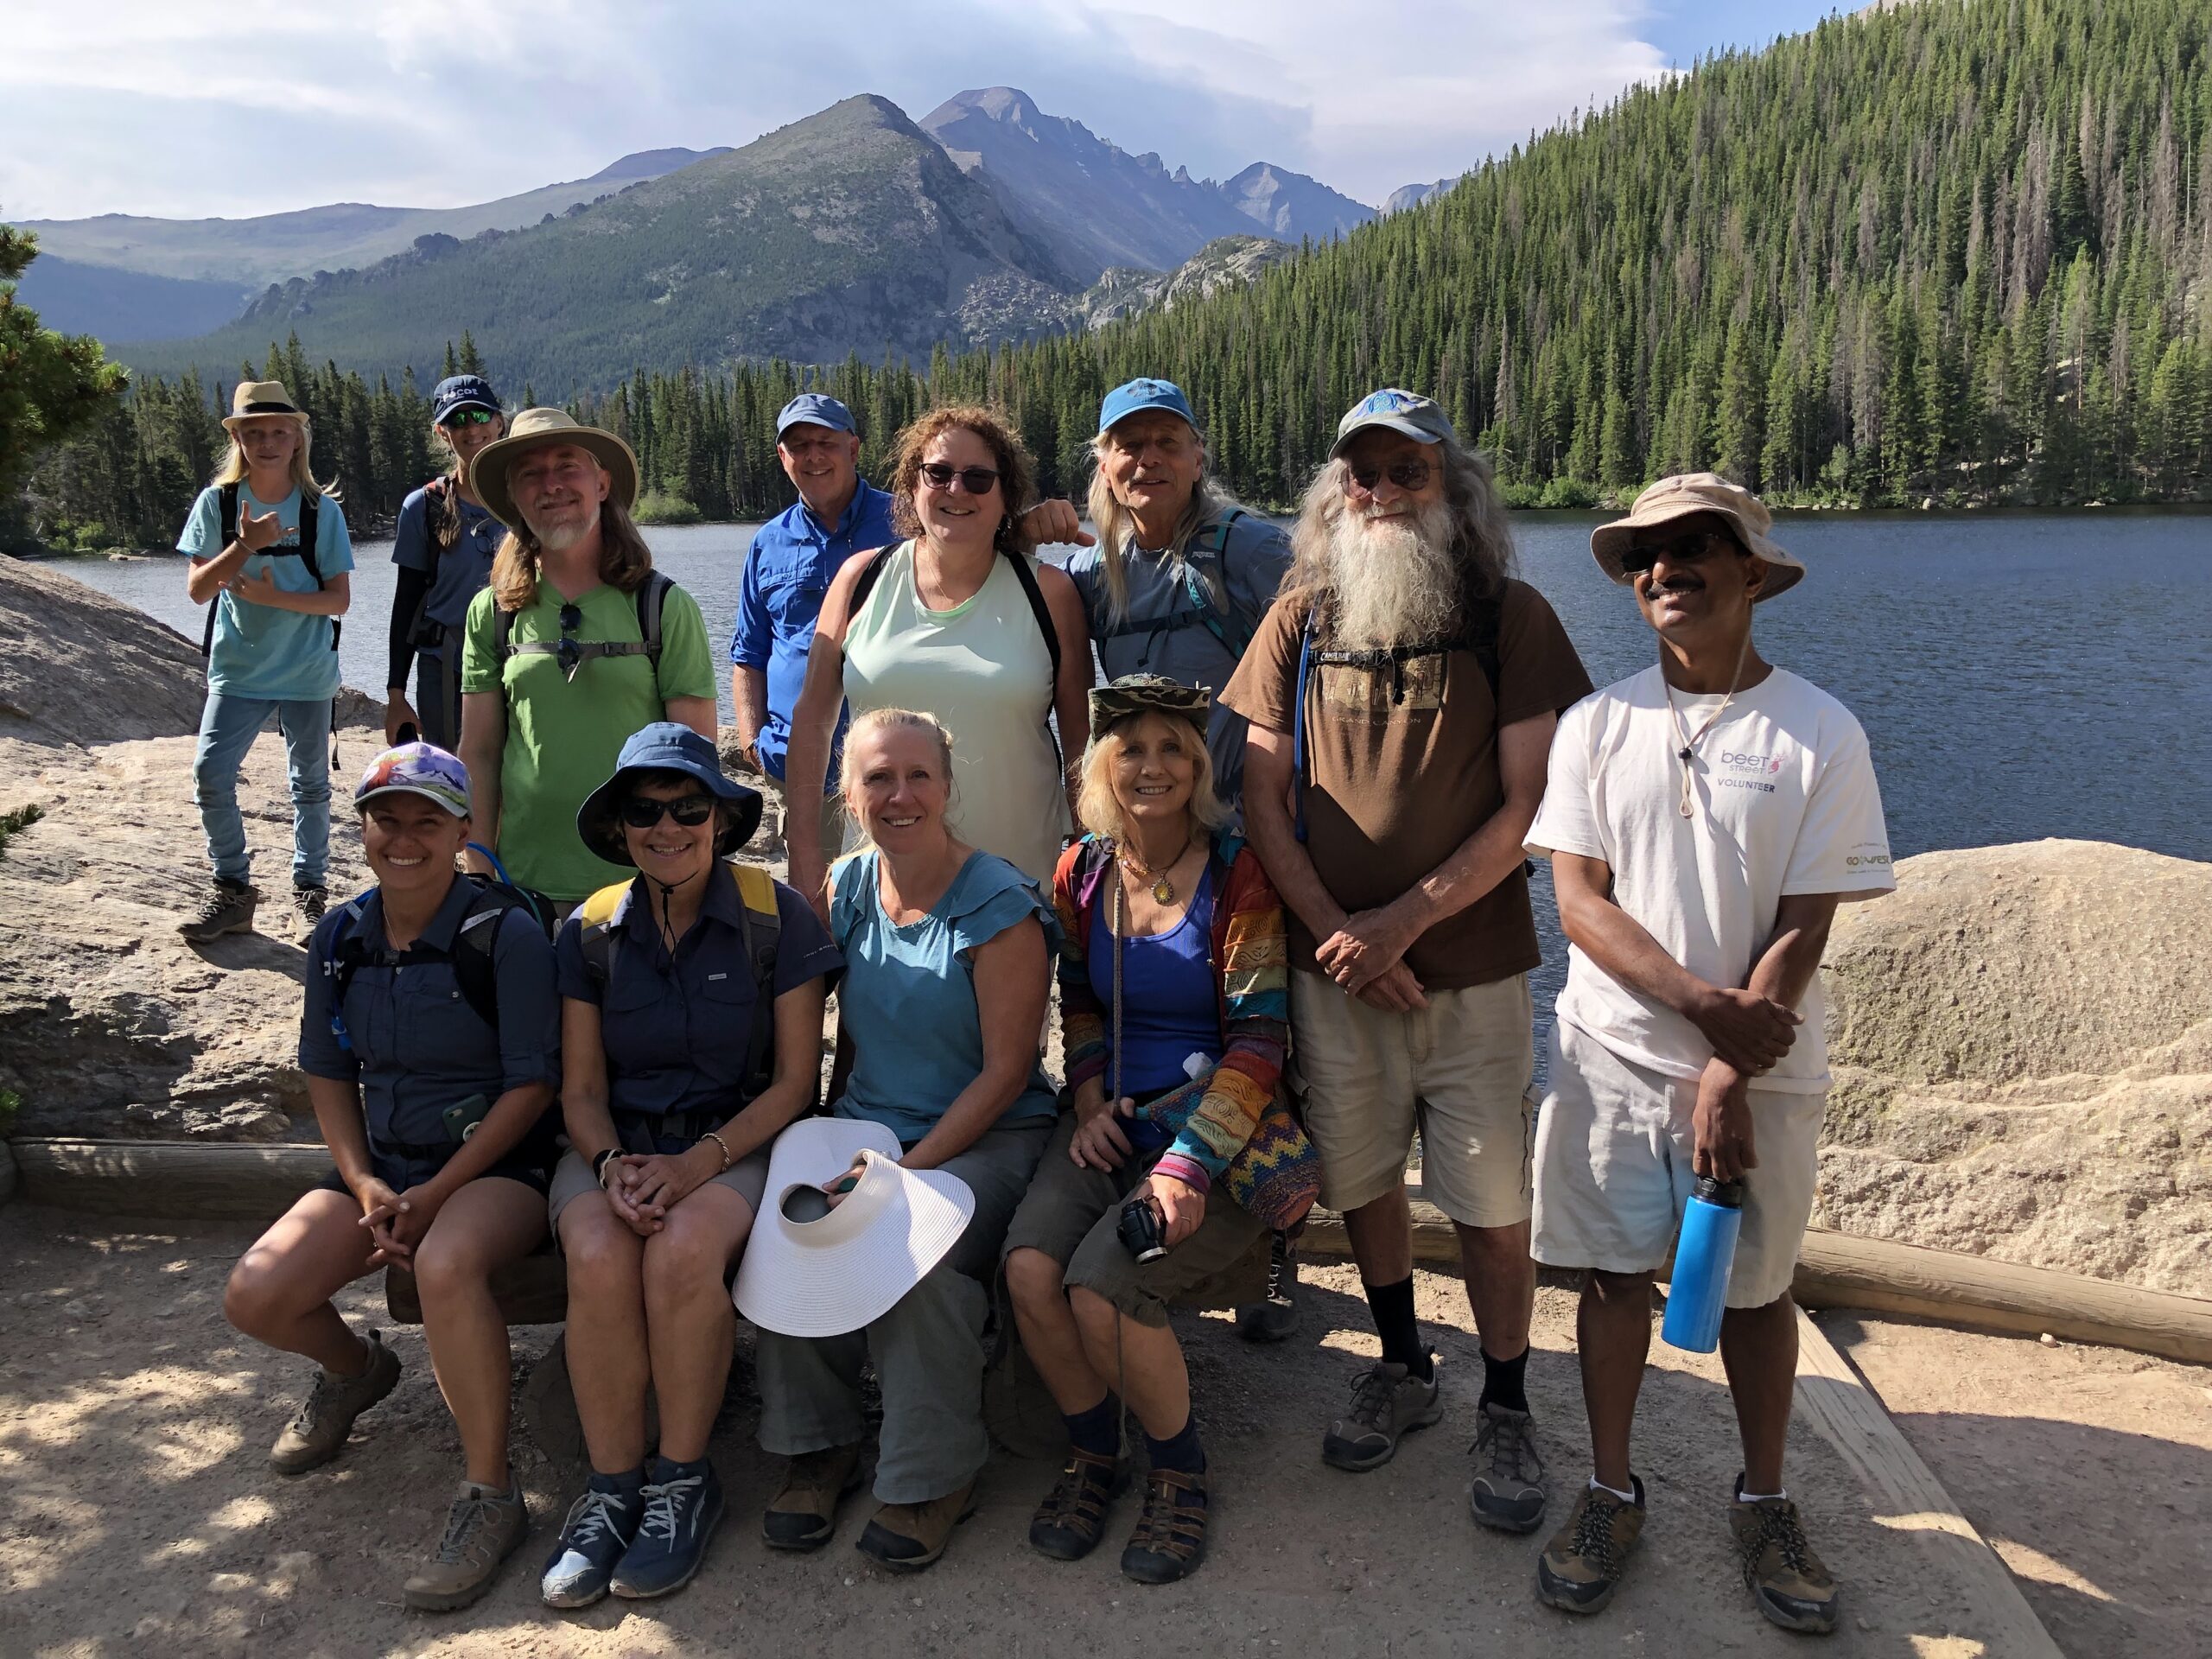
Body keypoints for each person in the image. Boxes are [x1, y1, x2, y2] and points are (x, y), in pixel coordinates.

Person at [1526, 475, 1893, 1634]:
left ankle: (1765, 1498)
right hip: (1610, 1054)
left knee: (1758, 1289)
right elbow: (1578, 902)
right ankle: (1609, 1488)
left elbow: (1810, 913)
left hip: (1764, 1070)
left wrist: (1734, 1066)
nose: (1665, 568)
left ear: (1749, 575)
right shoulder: (1598, 723)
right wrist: (1700, 1010)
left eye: (1695, 548)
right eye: (1647, 553)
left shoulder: (1821, 730)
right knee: (1610, 1278)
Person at [1222, 389, 1592, 1530]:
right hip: (1339, 971)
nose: (1380, 495)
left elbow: (1532, 805)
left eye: (1405, 472)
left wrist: (1402, 925)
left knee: (1488, 1199)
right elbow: (1263, 797)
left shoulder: (1510, 617)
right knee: (1369, 1178)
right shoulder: (1297, 620)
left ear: (1452, 487)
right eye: (1362, 476)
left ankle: (1510, 1398)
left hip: (1471, 972)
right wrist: (1343, 930)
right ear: (1338, 493)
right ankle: (1401, 1366)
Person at [221, 744, 560, 1612]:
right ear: (362, 828)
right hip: (384, 1167)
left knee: (444, 1263)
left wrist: (437, 1193)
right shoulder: (341, 934)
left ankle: (489, 1493)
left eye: (426, 821)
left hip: (497, 1168)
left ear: (461, 831)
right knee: (257, 1293)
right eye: (387, 819)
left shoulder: (503, 935)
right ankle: (355, 1371)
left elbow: (532, 1086)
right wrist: (364, 1182)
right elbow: (328, 1072)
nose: (404, 838)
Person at [538, 722, 842, 1608]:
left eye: (687, 808)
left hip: (735, 1141)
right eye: (645, 811)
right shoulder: (589, 930)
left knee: (678, 1253)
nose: (666, 828)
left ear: (720, 816)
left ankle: (682, 1480)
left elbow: (794, 1085)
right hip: (616, 1150)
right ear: (620, 826)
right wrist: (611, 1167)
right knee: (598, 1253)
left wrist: (695, 1166)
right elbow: (582, 1090)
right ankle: (610, 1490)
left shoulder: (774, 916)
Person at [1002, 676, 1297, 1584]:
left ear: (1200, 766)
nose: (1153, 766)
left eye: (1174, 747)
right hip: (1110, 1122)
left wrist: (1185, 1173)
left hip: (1219, 1135)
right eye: (1132, 748)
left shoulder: (1239, 870)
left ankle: (1179, 1469)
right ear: (1101, 765)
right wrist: (1087, 1103)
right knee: (1029, 1267)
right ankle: (1096, 1451)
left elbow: (1258, 1039)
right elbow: (1081, 1002)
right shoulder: (1080, 872)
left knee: (1102, 1288)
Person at [753, 707, 1057, 1572]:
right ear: (849, 795)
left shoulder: (997, 904)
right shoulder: (847, 891)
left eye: (918, 775)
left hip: (987, 1137)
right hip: (873, 1128)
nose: (900, 794)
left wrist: (902, 1170)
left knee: (908, 1254)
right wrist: (832, 1139)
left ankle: (933, 1475)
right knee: (790, 1227)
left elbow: (1005, 1073)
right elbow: (846, 1036)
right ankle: (819, 1444)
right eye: (878, 777)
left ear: (948, 788)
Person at [1059, 376, 1302, 1344]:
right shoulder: (1095, 572)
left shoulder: (1247, 546)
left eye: (1167, 442)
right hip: (1165, 836)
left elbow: (1318, 648)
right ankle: (1216, 1232)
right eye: (1128, 445)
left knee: (1272, 1040)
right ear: (1103, 464)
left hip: (1256, 832)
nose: (1147, 460)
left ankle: (1262, 1250)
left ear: (1198, 456)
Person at [781, 406, 1090, 905]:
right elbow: (813, 721)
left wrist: (1088, 857)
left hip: (1016, 886)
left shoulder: (1049, 593)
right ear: (912, 484)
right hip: (879, 888)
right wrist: (805, 858)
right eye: (939, 473)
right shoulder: (860, 581)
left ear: (1006, 494)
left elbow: (1080, 742)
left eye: (978, 478)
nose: (956, 489)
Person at [458, 408, 719, 913]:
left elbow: (695, 761)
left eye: (566, 466)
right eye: (531, 473)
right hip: (523, 885)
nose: (550, 484)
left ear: (601, 484)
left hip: (641, 885)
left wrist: (687, 884)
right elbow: (481, 753)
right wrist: (480, 868)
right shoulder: (492, 613)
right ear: (514, 497)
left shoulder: (662, 607)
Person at [178, 379, 355, 940]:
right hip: (239, 672)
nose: (269, 441)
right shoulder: (218, 504)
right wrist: (246, 545)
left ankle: (310, 892)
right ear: (240, 440)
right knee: (211, 773)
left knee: (309, 785)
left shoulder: (319, 512)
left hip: (307, 672)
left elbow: (339, 600)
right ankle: (233, 890)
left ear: (297, 440)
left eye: (280, 431)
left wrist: (275, 596)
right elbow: (200, 590)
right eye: (256, 432)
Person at [728, 394, 899, 867]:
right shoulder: (767, 543)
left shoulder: (907, 521)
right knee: (813, 894)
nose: (813, 456)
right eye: (799, 445)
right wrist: (751, 741)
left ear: (854, 449)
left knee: (905, 886)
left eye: (826, 441)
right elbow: (749, 653)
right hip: (798, 764)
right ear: (784, 459)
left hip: (894, 760)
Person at [386, 375, 508, 751]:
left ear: (499, 421)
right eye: (457, 420)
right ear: (442, 431)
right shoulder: (424, 507)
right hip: (445, 669)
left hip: (518, 664)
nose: (471, 428)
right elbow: (406, 601)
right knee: (453, 784)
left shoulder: (526, 499)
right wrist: (395, 694)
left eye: (479, 415)